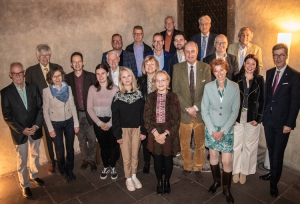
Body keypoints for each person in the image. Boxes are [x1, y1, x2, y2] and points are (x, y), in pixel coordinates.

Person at [260, 43, 300, 197]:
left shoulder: (295, 76)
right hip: (269, 121)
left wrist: (289, 124)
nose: (278, 58)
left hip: (283, 124)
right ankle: (272, 174)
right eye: (275, 55)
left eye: (281, 55)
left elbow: (295, 103)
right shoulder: (270, 73)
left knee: (278, 154)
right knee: (271, 150)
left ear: (286, 55)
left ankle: (274, 183)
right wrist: (263, 116)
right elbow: (268, 97)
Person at [1, 62, 44, 198]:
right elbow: (7, 116)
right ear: (10, 75)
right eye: (15, 73)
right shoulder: (6, 92)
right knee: (22, 160)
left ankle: (34, 175)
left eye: (20, 73)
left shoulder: (33, 88)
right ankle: (24, 184)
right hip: (20, 133)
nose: (18, 76)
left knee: (35, 155)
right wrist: (22, 129)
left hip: (34, 129)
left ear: (24, 73)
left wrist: (36, 126)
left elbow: (40, 108)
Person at [201, 58, 240, 204]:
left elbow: (234, 112)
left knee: (227, 161)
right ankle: (217, 181)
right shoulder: (208, 87)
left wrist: (223, 130)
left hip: (227, 128)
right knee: (213, 156)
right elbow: (204, 111)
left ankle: (227, 189)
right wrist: (212, 130)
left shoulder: (235, 87)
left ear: (226, 70)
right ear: (213, 72)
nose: (219, 73)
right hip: (211, 128)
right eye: (216, 71)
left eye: (221, 70)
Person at [172, 41, 211, 182]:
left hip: (200, 113)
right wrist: (188, 108)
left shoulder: (206, 68)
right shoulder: (177, 68)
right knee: (184, 143)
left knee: (200, 144)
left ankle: (198, 167)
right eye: (187, 51)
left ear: (197, 52)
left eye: (192, 51)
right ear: (184, 52)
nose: (189, 54)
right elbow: (175, 91)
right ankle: (187, 166)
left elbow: (208, 91)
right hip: (184, 113)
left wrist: (195, 108)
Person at [25, 44, 61, 175]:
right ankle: (52, 161)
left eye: (48, 55)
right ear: (37, 56)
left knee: (58, 136)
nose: (45, 58)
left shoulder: (57, 68)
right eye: (42, 56)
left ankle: (61, 158)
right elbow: (29, 92)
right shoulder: (31, 71)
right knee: (47, 138)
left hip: (58, 109)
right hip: (42, 111)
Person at [144, 70, 181, 194]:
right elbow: (147, 118)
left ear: (167, 81)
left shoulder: (173, 97)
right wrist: (155, 134)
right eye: (157, 80)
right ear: (154, 82)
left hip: (169, 133)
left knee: (168, 159)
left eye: (163, 80)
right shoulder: (150, 97)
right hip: (154, 133)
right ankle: (159, 181)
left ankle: (167, 181)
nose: (160, 83)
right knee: (158, 159)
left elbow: (176, 119)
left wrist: (164, 134)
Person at [112, 67, 147, 191]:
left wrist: (143, 131)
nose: (127, 79)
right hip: (123, 130)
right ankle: (128, 178)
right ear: (120, 80)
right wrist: (117, 135)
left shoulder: (139, 95)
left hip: (137, 129)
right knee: (126, 156)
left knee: (135, 155)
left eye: (128, 76)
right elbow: (115, 118)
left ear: (132, 77)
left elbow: (143, 114)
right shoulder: (117, 97)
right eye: (123, 77)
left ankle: (134, 175)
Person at [43, 66, 79, 183]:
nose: (57, 78)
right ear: (50, 78)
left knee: (70, 148)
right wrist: (50, 128)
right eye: (54, 76)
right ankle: (63, 170)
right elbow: (45, 111)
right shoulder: (47, 91)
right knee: (59, 149)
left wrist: (76, 123)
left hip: (69, 121)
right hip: (55, 124)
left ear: (62, 76)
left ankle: (70, 169)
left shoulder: (67, 88)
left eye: (59, 75)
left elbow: (73, 106)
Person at [232, 54, 264, 184]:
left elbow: (263, 100)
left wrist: (258, 118)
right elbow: (231, 99)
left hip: (252, 117)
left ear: (256, 67)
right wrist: (232, 117)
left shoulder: (260, 80)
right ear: (244, 64)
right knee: (236, 145)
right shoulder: (236, 78)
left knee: (249, 146)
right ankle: (235, 170)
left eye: (253, 64)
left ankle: (244, 171)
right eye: (248, 63)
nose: (250, 66)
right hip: (238, 116)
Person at [65, 52, 97, 171]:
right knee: (81, 138)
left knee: (92, 138)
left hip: (89, 113)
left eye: (79, 61)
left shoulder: (91, 77)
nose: (77, 64)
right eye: (74, 61)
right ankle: (85, 159)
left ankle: (92, 159)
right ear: (71, 64)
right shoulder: (67, 79)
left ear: (83, 63)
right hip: (76, 114)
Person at [87, 64, 120, 180]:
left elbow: (117, 109)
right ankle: (106, 166)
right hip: (98, 122)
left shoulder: (115, 88)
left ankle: (113, 166)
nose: (100, 76)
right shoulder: (92, 89)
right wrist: (100, 123)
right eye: (98, 74)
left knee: (113, 145)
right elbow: (89, 108)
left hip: (112, 121)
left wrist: (110, 123)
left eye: (102, 73)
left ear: (107, 74)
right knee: (104, 146)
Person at [137, 56, 160, 174]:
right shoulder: (139, 80)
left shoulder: (160, 79)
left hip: (158, 116)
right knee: (145, 140)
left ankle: (157, 161)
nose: (150, 66)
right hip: (144, 115)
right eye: (147, 64)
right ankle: (146, 162)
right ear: (144, 67)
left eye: (152, 64)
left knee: (156, 139)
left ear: (156, 66)